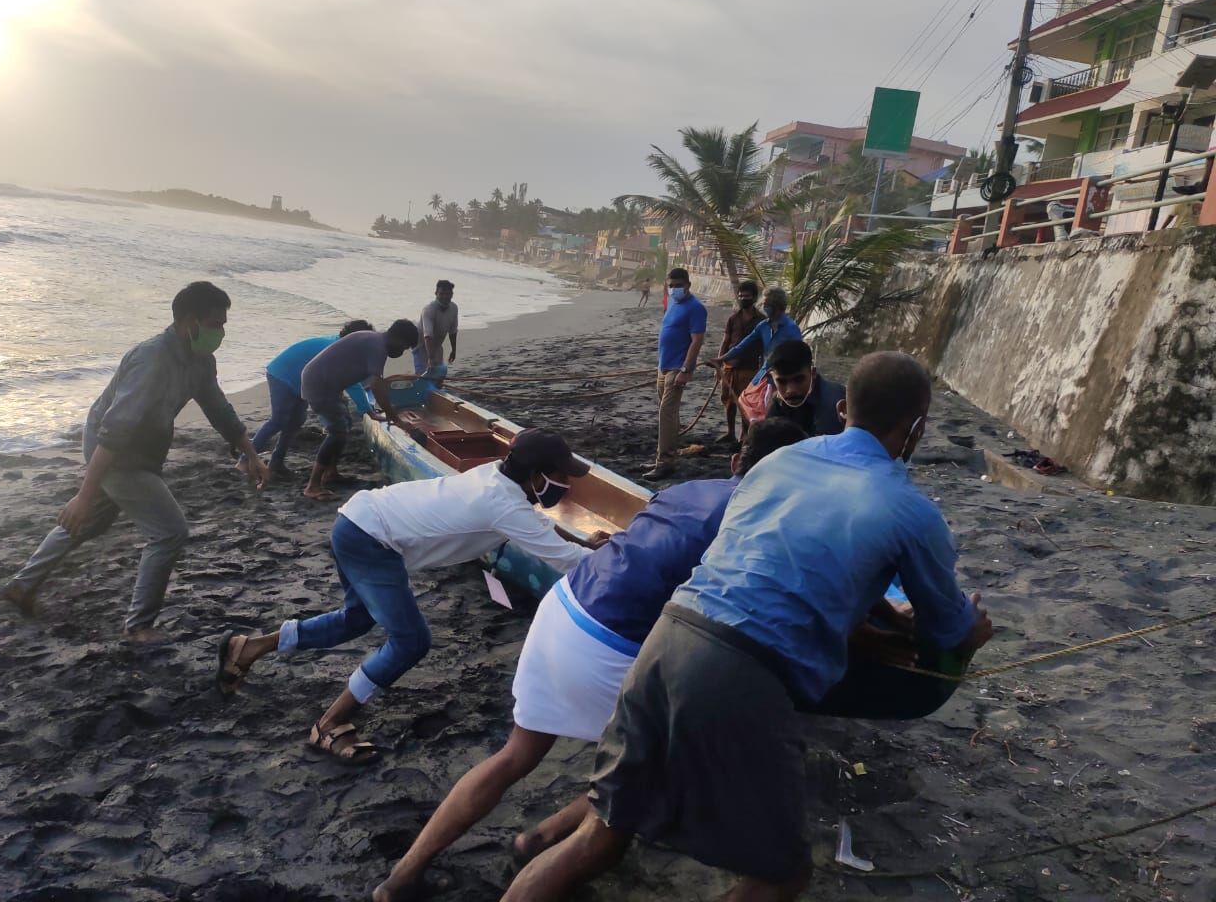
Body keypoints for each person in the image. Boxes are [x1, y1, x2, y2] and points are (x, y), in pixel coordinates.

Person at [503, 352, 995, 902]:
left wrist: (877, 610)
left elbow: (777, 562)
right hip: (744, 674)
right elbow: (944, 633)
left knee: (600, 833)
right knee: (782, 875)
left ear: (842, 409)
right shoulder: (912, 510)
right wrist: (971, 632)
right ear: (918, 427)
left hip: (666, 640)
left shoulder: (778, 464)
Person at [373, 418, 809, 902]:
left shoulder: (687, 490)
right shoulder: (766, 518)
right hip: (610, 641)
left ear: (735, 462)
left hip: (564, 607)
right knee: (648, 776)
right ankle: (542, 842)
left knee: (516, 755)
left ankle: (401, 878)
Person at [215, 429, 609, 765]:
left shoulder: (495, 477)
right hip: (372, 539)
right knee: (411, 641)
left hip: (356, 520)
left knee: (356, 619)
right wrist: (613, 556)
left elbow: (538, 526)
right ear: (537, 476)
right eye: (561, 475)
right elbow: (567, 562)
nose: (566, 483)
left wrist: (582, 542)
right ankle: (329, 724)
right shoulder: (503, 505)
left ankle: (249, 647)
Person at [2, 282, 270, 641]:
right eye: (215, 324)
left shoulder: (200, 360)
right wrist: (84, 493)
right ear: (189, 322)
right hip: (114, 451)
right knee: (169, 531)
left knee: (90, 522)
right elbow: (115, 431)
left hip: (144, 449)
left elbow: (219, 409)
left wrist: (250, 454)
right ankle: (139, 626)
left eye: (223, 325)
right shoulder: (151, 361)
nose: (220, 333)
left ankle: (21, 586)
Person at [300, 319, 420, 501]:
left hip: (326, 383)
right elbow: (377, 387)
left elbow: (343, 363)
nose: (402, 352)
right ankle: (313, 486)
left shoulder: (374, 340)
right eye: (404, 347)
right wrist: (395, 418)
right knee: (337, 432)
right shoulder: (378, 347)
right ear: (397, 338)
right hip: (319, 384)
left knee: (345, 423)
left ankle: (330, 472)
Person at [249, 320, 373, 479]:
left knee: (296, 421)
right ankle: (245, 459)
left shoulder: (341, 345)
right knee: (278, 420)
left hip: (300, 379)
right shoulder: (339, 350)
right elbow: (353, 384)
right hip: (282, 374)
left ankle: (276, 462)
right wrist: (366, 409)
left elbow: (339, 376)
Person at [644, 267, 706, 482]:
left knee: (666, 414)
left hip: (678, 368)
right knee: (669, 415)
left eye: (678, 286)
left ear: (688, 285)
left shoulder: (696, 308)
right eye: (671, 286)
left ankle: (665, 462)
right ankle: (664, 457)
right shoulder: (672, 302)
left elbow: (697, 340)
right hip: (663, 365)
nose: (674, 289)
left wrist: (686, 369)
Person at [715, 285, 803, 389]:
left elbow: (798, 357)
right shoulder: (763, 326)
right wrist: (720, 359)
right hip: (763, 376)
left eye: (766, 304)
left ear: (776, 305)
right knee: (747, 396)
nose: (764, 307)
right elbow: (741, 346)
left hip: (783, 379)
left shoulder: (792, 329)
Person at [764, 339, 846, 438]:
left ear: (813, 373)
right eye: (782, 382)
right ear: (772, 377)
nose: (791, 391)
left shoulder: (834, 401)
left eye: (798, 379)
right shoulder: (777, 402)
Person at [717, 280, 764, 443]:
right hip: (730, 367)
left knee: (746, 403)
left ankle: (744, 435)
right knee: (728, 401)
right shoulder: (733, 318)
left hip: (750, 369)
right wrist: (719, 363)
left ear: (755, 298)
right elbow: (725, 341)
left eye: (747, 296)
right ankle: (730, 432)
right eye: (741, 296)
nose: (743, 299)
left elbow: (764, 347)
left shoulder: (761, 321)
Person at [413, 280, 458, 379]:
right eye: (441, 293)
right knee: (423, 376)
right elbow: (428, 336)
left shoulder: (454, 308)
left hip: (437, 346)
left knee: (439, 376)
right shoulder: (429, 310)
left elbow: (453, 332)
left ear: (452, 294)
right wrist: (431, 358)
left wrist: (453, 350)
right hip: (422, 345)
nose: (445, 297)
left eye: (448, 294)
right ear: (436, 293)